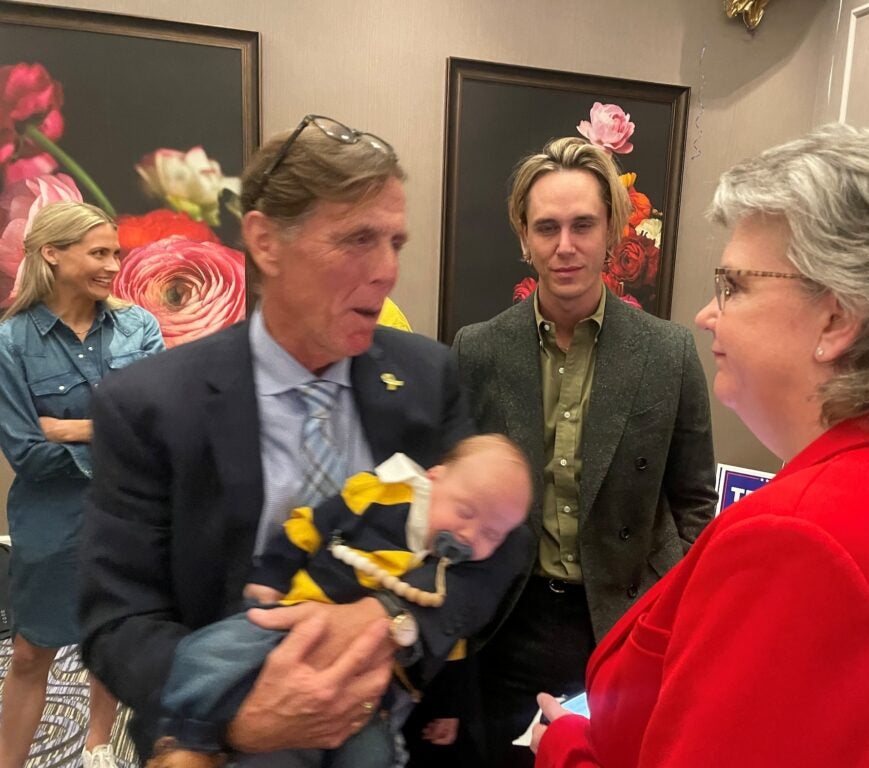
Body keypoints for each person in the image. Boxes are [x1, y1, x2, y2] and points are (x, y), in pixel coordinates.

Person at [530, 124, 869, 768]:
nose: (709, 314)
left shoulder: (799, 542)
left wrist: (563, 746)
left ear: (839, 317)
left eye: (734, 285)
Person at [79, 114, 529, 765]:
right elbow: (116, 623)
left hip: (393, 731)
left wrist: (392, 622)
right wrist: (240, 720)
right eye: (358, 240)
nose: (386, 271)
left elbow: (501, 541)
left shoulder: (427, 376)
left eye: (396, 242)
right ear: (265, 242)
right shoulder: (150, 406)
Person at [452, 136, 718, 766]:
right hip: (507, 620)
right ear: (524, 237)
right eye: (546, 227)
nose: (564, 246)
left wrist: (670, 601)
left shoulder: (669, 353)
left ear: (611, 233)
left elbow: (694, 500)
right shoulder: (478, 350)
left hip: (626, 621)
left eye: (582, 225)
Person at [149, 434, 532, 768]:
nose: (469, 535)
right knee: (211, 653)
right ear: (434, 477)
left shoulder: (448, 576)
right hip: (291, 623)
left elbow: (453, 653)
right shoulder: (382, 492)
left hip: (367, 689)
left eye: (492, 535)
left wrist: (449, 710)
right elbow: (309, 525)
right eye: (465, 512)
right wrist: (270, 577)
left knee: (373, 756)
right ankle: (190, 738)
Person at [0, 201, 165, 768]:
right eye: (99, 253)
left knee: (111, 644)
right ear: (53, 253)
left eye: (115, 252)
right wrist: (116, 435)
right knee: (28, 655)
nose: (113, 265)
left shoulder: (138, 326)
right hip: (50, 523)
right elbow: (28, 453)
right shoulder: (11, 343)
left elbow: (158, 424)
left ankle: (98, 748)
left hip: (128, 515)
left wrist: (73, 427)